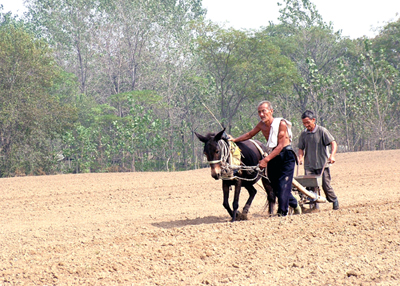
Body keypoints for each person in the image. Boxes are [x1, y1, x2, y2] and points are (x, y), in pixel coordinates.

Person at [230, 101, 300, 216]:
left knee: (283, 184)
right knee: (274, 186)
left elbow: (280, 146)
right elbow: (249, 135)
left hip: (285, 156)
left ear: (271, 111)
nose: (261, 114)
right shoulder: (261, 125)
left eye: (264, 111)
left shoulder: (281, 124)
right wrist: (235, 140)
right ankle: (294, 203)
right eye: (259, 112)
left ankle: (282, 212)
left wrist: (266, 159)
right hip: (273, 155)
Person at [297, 110, 339, 210]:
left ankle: (334, 200)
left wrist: (332, 156)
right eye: (304, 123)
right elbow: (300, 148)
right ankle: (314, 206)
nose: (306, 125)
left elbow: (333, 143)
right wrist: (300, 157)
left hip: (322, 164)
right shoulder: (303, 134)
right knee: (309, 187)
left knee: (326, 185)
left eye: (308, 122)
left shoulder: (322, 131)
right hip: (309, 165)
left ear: (313, 120)